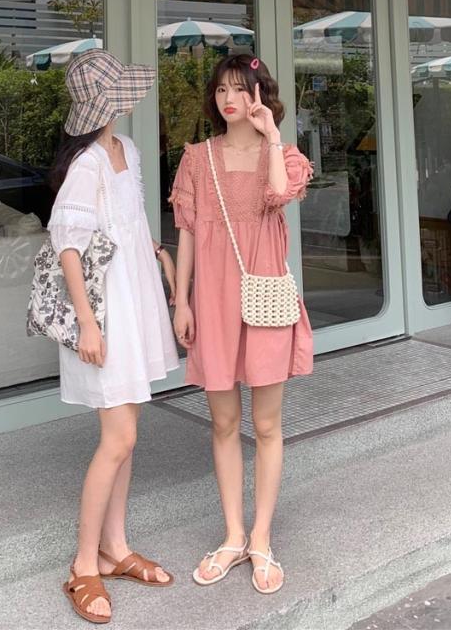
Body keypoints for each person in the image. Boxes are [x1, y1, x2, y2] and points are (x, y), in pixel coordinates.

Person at [170, 54, 314, 595]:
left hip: (264, 296)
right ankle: (232, 535)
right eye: (221, 90)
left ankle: (261, 538)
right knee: (224, 422)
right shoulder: (196, 158)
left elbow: (278, 195)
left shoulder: (286, 156)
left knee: (267, 425)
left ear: (259, 95)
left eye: (240, 89)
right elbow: (187, 232)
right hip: (213, 299)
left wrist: (271, 136)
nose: (229, 99)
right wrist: (181, 301)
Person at [48, 49, 179, 624]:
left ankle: (115, 548)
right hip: (104, 311)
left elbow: (129, 224)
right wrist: (87, 322)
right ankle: (83, 565)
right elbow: (68, 246)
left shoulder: (126, 150)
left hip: (134, 300)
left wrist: (159, 258)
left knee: (128, 434)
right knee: (118, 437)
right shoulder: (86, 165)